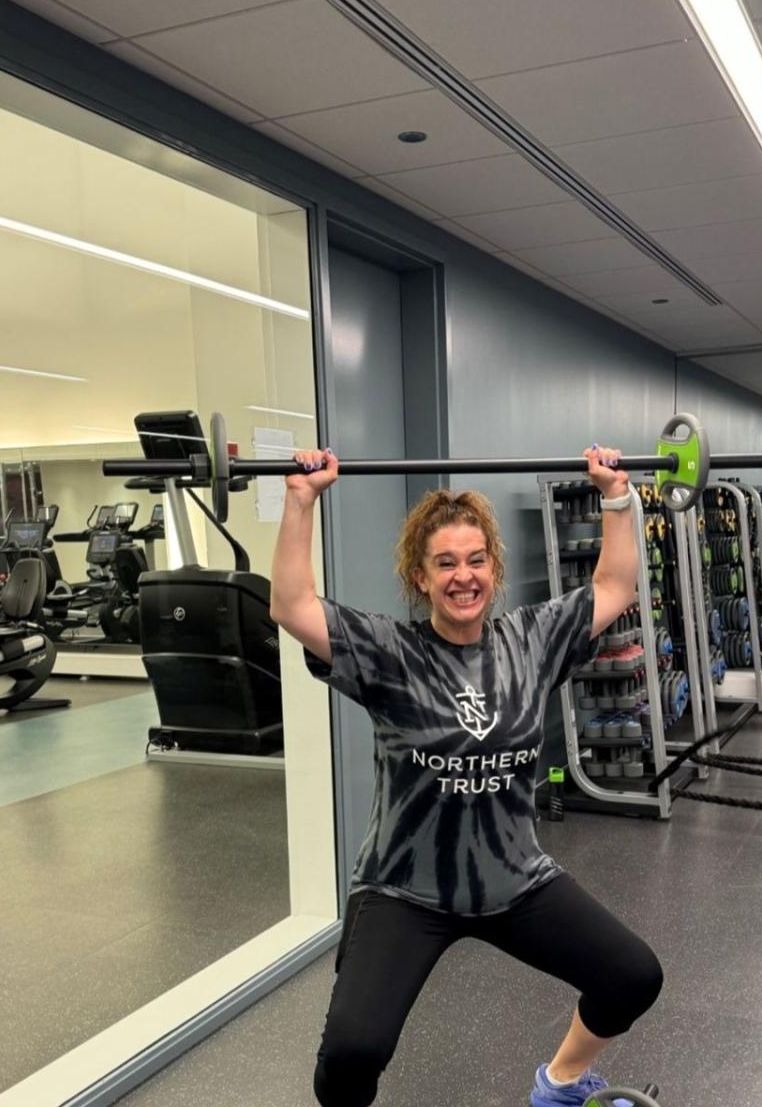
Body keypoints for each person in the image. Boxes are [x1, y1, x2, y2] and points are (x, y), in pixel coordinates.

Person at [270, 445, 664, 1107]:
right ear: (420, 578)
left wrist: (616, 496)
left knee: (633, 977)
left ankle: (560, 1084)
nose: (463, 576)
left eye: (476, 560)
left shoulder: (530, 641)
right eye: (445, 563)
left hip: (515, 880)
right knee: (352, 1051)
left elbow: (613, 587)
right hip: (405, 887)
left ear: (494, 568)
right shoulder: (389, 653)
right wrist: (301, 501)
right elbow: (292, 605)